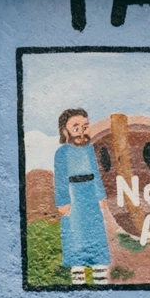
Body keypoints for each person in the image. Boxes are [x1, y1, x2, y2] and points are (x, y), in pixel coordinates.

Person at [53, 108, 113, 285]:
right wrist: (63, 201)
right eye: (76, 127)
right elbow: (60, 179)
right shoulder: (62, 153)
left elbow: (96, 173)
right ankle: (78, 282)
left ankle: (100, 278)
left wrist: (100, 195)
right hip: (73, 198)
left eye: (85, 126)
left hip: (91, 197)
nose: (81, 131)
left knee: (96, 236)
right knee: (75, 237)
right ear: (65, 131)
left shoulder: (90, 150)